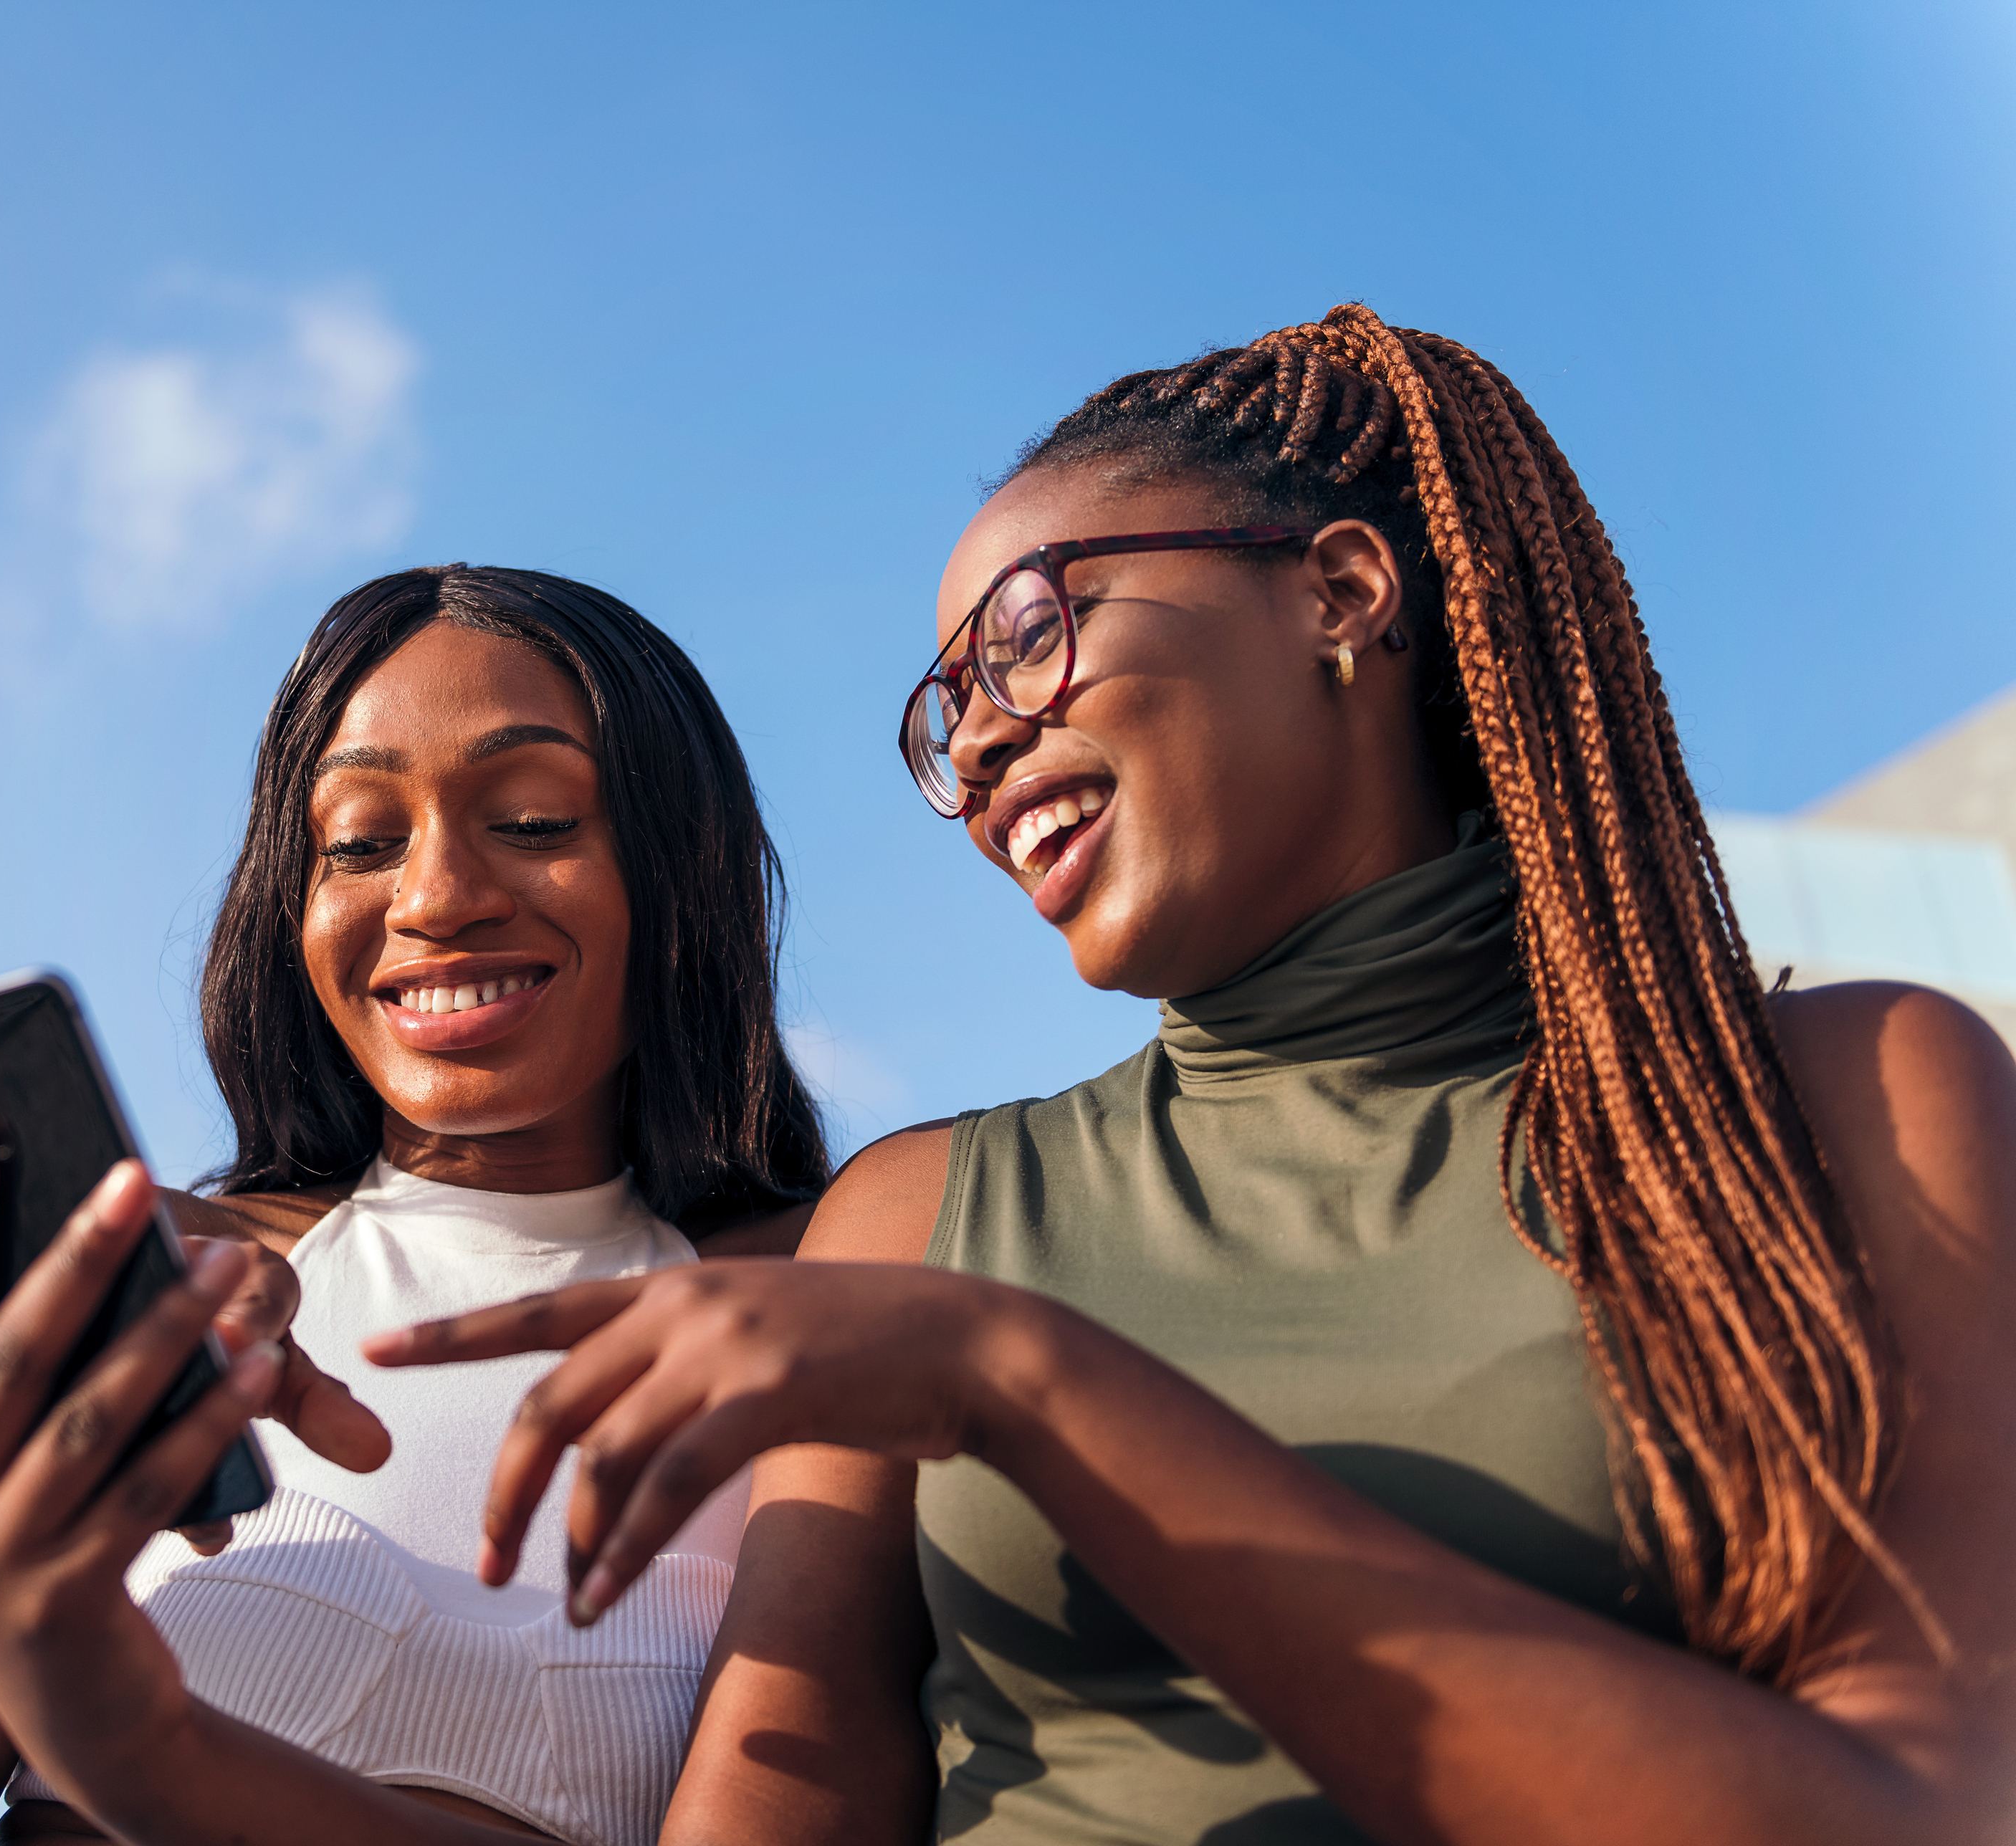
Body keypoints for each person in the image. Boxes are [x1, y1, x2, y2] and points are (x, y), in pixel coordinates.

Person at [376, 306, 2016, 1844]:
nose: (986, 745)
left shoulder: (1851, 1097)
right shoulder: (920, 1214)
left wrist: (1025, 1383)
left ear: (1342, 592)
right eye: (949, 715)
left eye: (1030, 633)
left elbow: (1923, 1812)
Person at [0, 565, 831, 1845]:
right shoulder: (180, 1283)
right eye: (360, 843)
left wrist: (150, 1751)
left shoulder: (818, 1307)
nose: (436, 898)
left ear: (683, 868)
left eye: (538, 821)